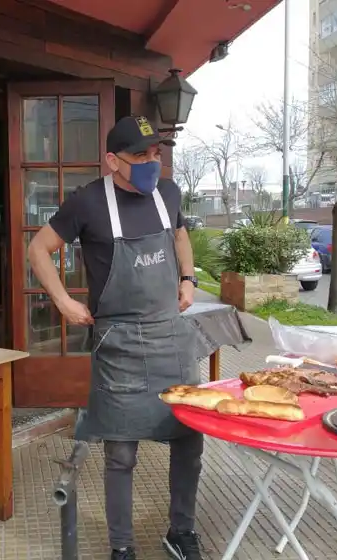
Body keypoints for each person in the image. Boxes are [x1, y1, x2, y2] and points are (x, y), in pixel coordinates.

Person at [28, 116, 204, 560]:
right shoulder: (87, 203)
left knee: (189, 442)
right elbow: (38, 249)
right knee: (120, 454)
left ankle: (180, 531)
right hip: (120, 344)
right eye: (139, 156)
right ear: (112, 160)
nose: (151, 163)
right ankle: (121, 547)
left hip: (171, 337)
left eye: (155, 155)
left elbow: (180, 233)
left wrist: (188, 278)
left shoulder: (168, 194)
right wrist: (64, 302)